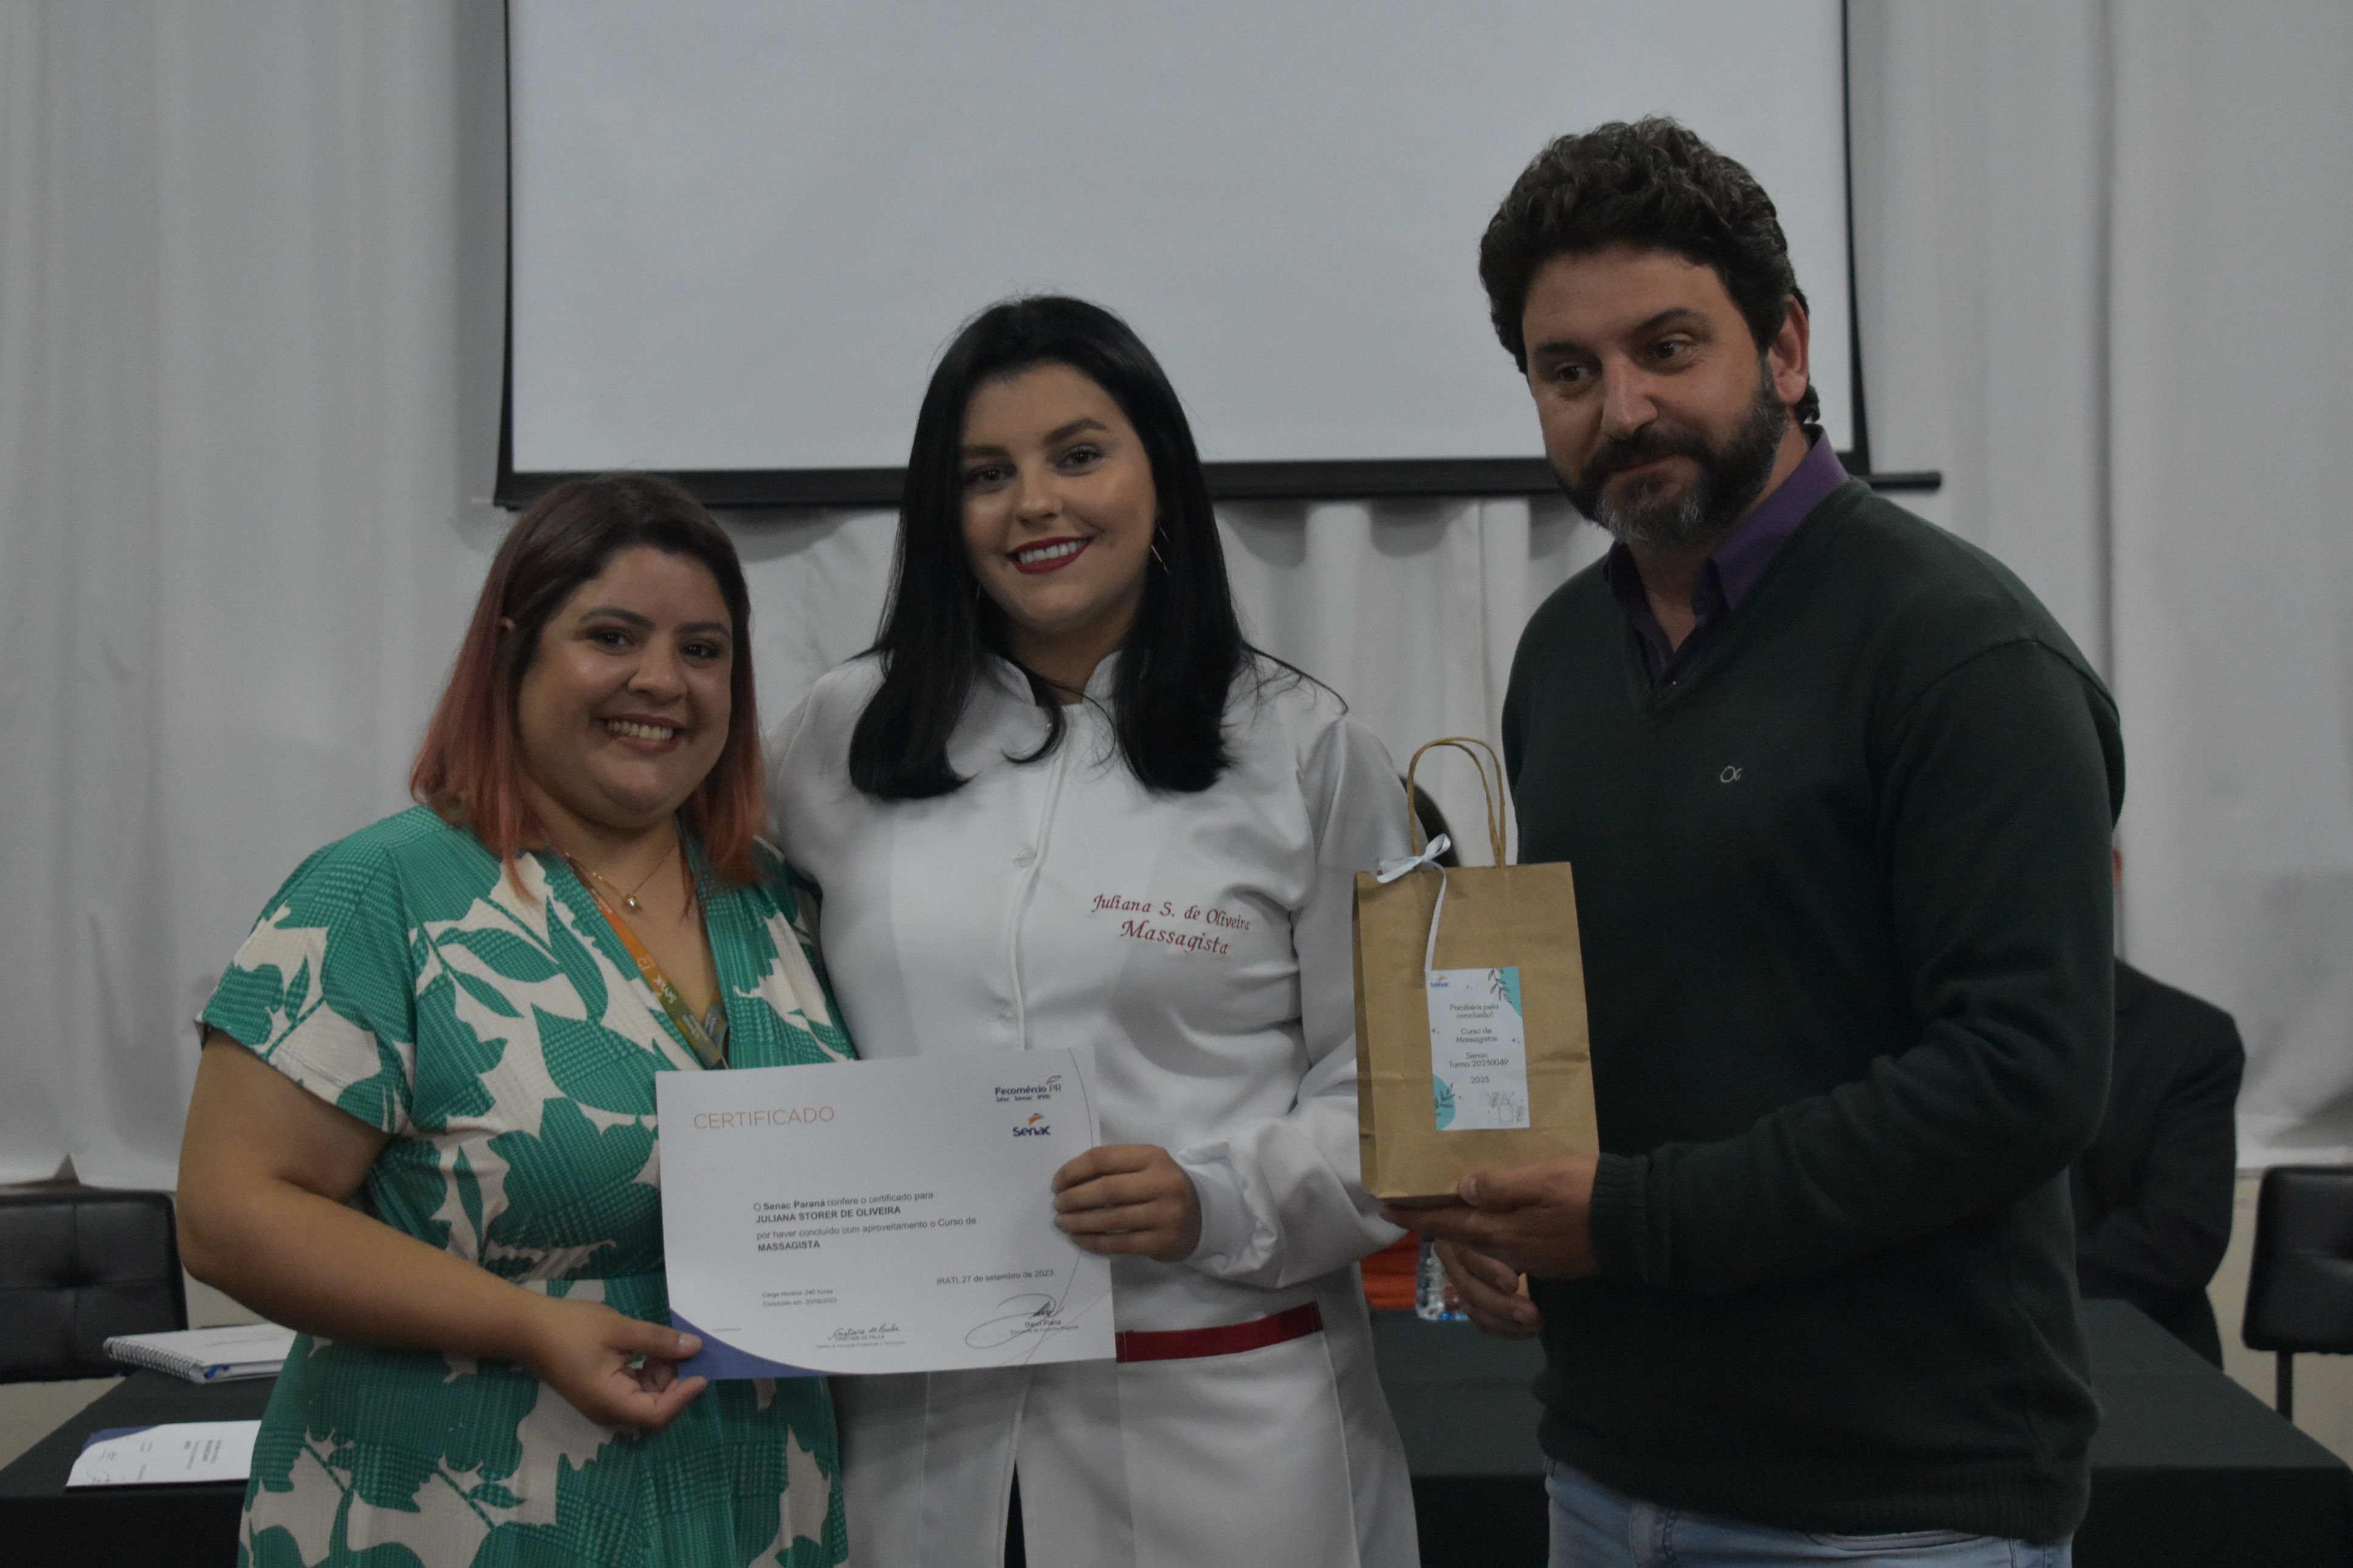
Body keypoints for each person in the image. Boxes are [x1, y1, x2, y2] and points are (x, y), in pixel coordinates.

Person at [1390, 119, 2123, 1565]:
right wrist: (1493, 1202)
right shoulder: (1561, 655)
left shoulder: (1961, 652)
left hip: (1900, 1506)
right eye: (1567, 371)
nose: (1623, 408)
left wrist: (1629, 1219)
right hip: (1604, 1472)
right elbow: (1605, 1017)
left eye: (1668, 347)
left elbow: (2022, 1076)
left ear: (1783, 347)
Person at [769, 295, 1417, 1568]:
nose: (1034, 505)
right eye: (984, 474)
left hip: (1224, 1429)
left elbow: (1399, 1090)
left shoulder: (1308, 749)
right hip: (916, 1440)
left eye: (1077, 455)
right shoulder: (832, 740)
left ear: (1158, 475)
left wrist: (1213, 1198)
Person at [176, 474, 853, 1566]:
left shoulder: (772, 898)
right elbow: (229, 1213)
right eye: (612, 637)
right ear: (512, 653)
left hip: (750, 1498)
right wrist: (528, 1324)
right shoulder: (379, 892)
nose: (661, 680)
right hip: (456, 1498)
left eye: (702, 650)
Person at [2073, 854, 2247, 1365]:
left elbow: (2176, 1242)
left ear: (2110, 870)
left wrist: (1999, 1291)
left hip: (2136, 1358)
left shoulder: (2188, 1039)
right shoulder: (1921, 1029)